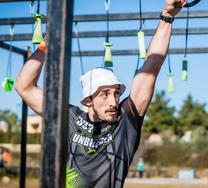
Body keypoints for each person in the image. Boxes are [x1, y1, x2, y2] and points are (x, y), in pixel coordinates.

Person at [15, 0, 187, 187]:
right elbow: (24, 86)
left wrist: (167, 16)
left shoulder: (125, 120)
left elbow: (152, 67)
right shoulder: (69, 118)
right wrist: (46, 44)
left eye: (116, 93)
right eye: (105, 94)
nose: (113, 101)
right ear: (88, 100)